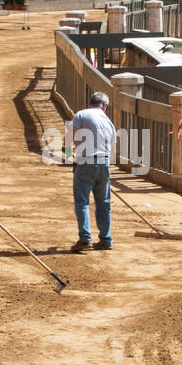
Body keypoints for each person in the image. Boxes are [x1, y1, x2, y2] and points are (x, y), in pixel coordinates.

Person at [70, 91, 115, 253]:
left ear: (91, 103)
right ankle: (106, 239)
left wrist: (73, 156)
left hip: (86, 161)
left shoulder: (81, 114)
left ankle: (85, 239)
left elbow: (70, 138)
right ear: (105, 106)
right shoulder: (108, 121)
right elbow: (112, 148)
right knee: (104, 203)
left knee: (82, 202)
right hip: (104, 162)